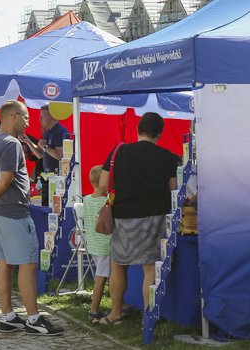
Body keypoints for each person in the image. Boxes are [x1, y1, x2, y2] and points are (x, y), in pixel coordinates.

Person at [0, 100, 64, 335]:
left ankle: (9, 317)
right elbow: (5, 180)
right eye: (26, 117)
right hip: (13, 212)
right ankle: (33, 319)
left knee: (4, 262)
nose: (29, 121)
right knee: (27, 263)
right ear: (13, 116)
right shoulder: (11, 144)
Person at [97, 112, 177, 325]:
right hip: (155, 217)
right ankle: (148, 317)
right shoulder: (167, 156)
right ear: (159, 134)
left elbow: (103, 184)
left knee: (118, 265)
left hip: (123, 216)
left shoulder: (119, 151)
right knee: (150, 267)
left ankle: (115, 315)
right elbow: (173, 189)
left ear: (138, 130)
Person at [83, 165, 129, 322]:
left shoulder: (87, 199)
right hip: (105, 246)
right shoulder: (108, 201)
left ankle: (123, 306)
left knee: (110, 275)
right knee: (101, 278)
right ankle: (94, 310)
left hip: (94, 244)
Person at [19, 105, 68, 206]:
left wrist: (45, 147)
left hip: (58, 177)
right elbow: (40, 154)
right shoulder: (47, 132)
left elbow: (59, 155)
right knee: (46, 205)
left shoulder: (61, 131)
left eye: (42, 117)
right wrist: (28, 141)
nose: (39, 119)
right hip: (47, 177)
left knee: (55, 207)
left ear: (51, 117)